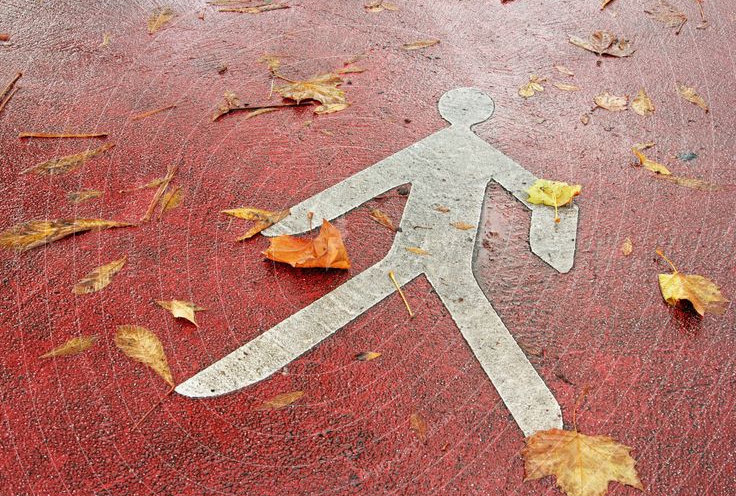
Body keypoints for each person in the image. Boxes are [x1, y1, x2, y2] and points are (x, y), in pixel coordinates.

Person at [177, 88, 579, 437]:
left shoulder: (436, 148)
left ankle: (537, 413)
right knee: (466, 309)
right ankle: (537, 413)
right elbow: (546, 198)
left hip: (423, 249)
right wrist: (551, 248)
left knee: (393, 299)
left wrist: (299, 219)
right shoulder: (485, 155)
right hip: (423, 250)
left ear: (447, 112)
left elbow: (363, 184)